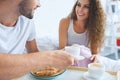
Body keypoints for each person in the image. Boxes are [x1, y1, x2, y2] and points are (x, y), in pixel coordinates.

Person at [0, 0, 77, 80]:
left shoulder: (26, 22)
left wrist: (53, 65)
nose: (39, 5)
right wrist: (49, 57)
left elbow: (34, 53)